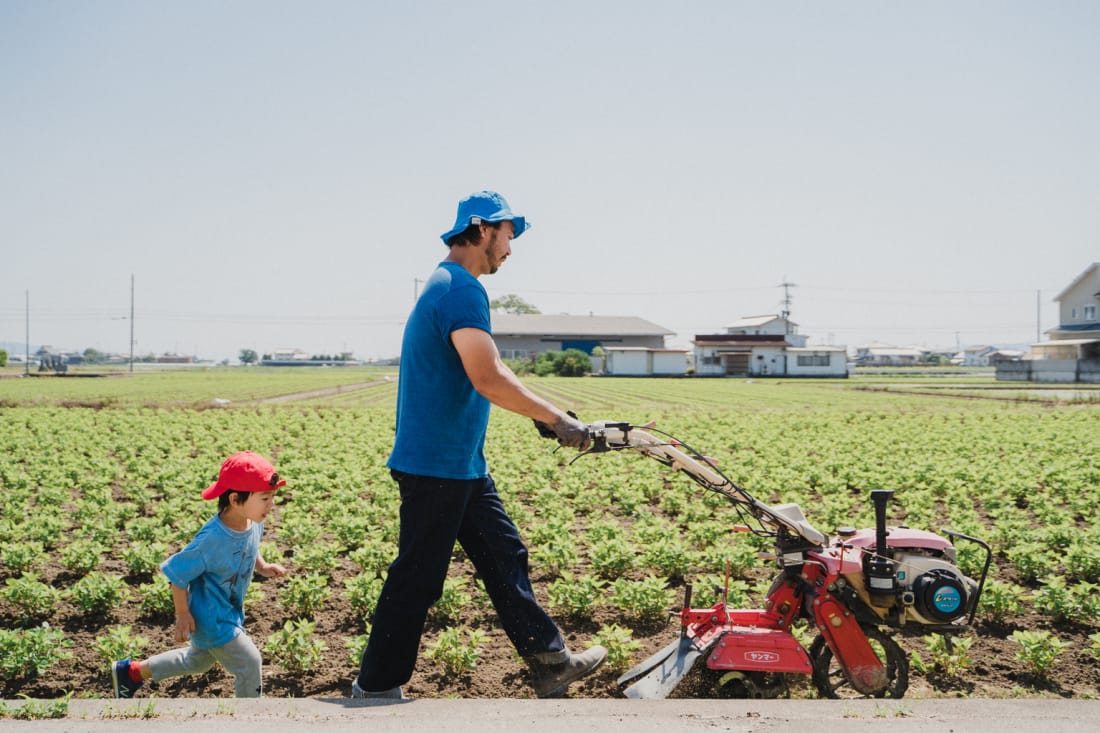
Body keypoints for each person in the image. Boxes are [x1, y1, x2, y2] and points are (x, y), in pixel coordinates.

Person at [352, 190, 606, 699]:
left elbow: (494, 366)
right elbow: (487, 377)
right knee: (418, 577)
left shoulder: (450, 286)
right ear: (483, 229)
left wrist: (545, 414)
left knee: (503, 555)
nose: (511, 249)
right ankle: (375, 687)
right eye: (509, 235)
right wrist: (557, 420)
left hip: (459, 463)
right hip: (436, 465)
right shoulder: (460, 290)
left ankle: (550, 661)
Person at [111, 451, 288, 698]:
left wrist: (262, 566)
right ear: (236, 500)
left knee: (197, 662)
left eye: (272, 497)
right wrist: (183, 614)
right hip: (211, 618)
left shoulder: (253, 520)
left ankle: (130, 673)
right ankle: (249, 720)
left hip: (228, 611)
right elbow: (178, 574)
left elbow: (249, 547)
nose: (272, 504)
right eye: (265, 498)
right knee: (249, 663)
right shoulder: (211, 540)